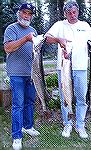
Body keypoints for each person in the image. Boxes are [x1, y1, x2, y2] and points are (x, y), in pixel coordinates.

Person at [45, 0, 91, 139]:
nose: (72, 15)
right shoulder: (59, 25)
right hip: (63, 69)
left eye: (74, 12)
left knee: (81, 98)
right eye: (69, 13)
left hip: (81, 67)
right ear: (65, 13)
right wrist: (59, 40)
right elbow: (47, 38)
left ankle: (80, 125)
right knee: (65, 98)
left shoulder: (85, 25)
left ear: (78, 12)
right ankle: (67, 123)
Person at [4, 3, 40, 150]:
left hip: (31, 74)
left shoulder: (33, 31)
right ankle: (17, 136)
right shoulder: (11, 28)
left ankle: (28, 126)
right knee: (18, 105)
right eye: (24, 12)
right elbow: (8, 48)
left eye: (29, 14)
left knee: (30, 102)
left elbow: (37, 49)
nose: (26, 16)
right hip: (16, 74)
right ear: (19, 13)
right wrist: (26, 39)